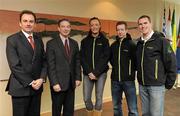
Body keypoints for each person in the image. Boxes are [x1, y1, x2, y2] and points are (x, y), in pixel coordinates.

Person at [5, 10, 47, 116]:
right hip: (20, 87)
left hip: (37, 87)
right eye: (25, 21)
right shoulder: (12, 40)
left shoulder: (38, 39)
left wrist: (41, 78)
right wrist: (31, 82)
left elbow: (44, 61)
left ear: (35, 24)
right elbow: (14, 66)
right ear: (20, 23)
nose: (28, 24)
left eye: (31, 21)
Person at [136, 15, 177, 116]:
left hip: (156, 86)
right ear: (138, 27)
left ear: (150, 24)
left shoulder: (161, 41)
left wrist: (169, 83)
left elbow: (171, 62)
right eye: (140, 24)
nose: (143, 26)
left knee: (156, 114)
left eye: (145, 23)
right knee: (145, 113)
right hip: (142, 85)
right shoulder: (139, 43)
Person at [46, 19, 81, 116]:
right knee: (57, 110)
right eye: (63, 26)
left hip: (71, 83)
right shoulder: (51, 43)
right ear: (58, 28)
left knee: (69, 110)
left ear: (70, 28)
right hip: (58, 84)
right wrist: (54, 83)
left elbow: (77, 62)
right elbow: (50, 65)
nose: (66, 29)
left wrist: (78, 77)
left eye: (68, 26)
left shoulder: (74, 43)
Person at [80, 17, 110, 116]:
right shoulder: (84, 41)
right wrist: (89, 72)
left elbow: (105, 58)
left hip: (101, 73)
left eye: (96, 24)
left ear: (99, 26)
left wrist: (96, 72)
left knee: (99, 97)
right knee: (86, 98)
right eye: (92, 25)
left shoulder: (105, 41)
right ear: (90, 27)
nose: (94, 27)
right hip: (87, 74)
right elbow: (82, 58)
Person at [110, 21, 138, 116]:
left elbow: (136, 62)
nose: (120, 32)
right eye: (118, 30)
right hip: (115, 81)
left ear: (126, 30)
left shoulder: (132, 45)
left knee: (132, 108)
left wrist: (130, 72)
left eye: (122, 29)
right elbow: (111, 60)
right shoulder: (113, 45)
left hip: (128, 81)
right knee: (116, 107)